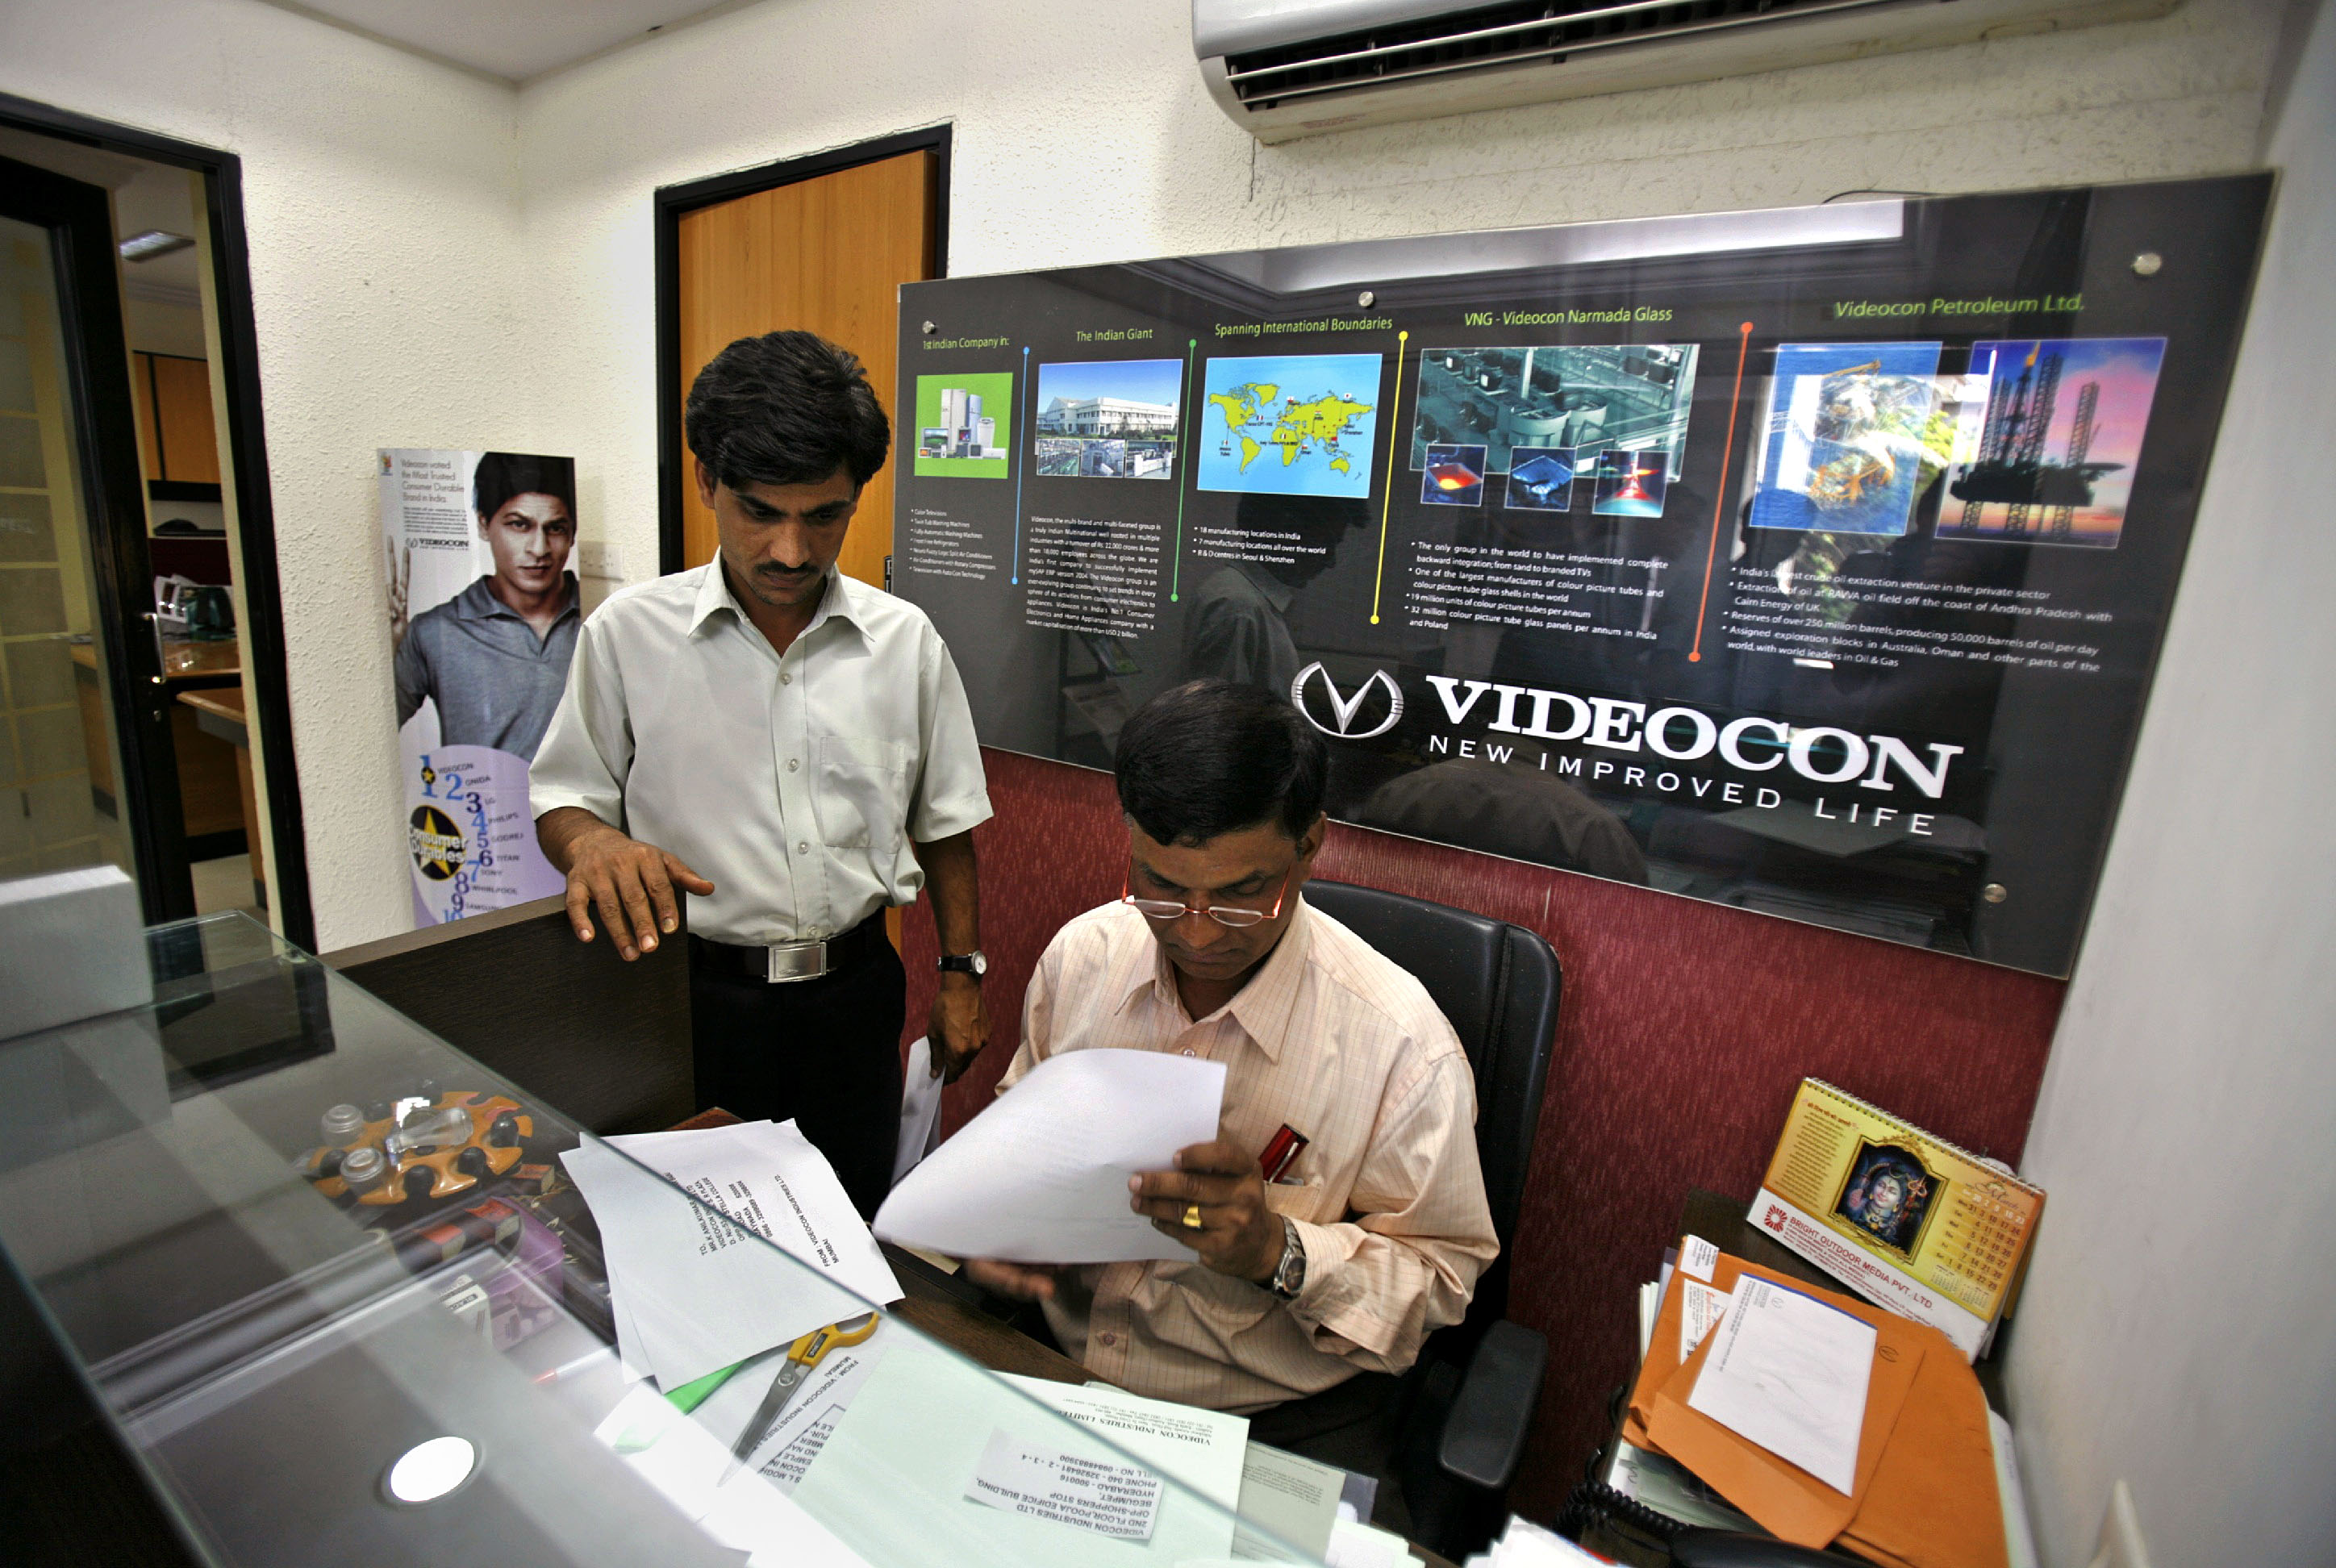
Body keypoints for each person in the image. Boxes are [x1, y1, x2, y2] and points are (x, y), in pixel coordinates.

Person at [963, 680, 1497, 1502]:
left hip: (1270, 1418)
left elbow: (1441, 1281)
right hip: (1056, 1359)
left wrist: (1275, 1253)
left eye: (1244, 893)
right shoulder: (1083, 958)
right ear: (1130, 838)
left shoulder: (1403, 1048)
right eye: (1162, 886)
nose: (1198, 929)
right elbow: (1014, 1133)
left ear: (1310, 846)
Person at [529, 331, 992, 1216]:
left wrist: (962, 974)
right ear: (707, 482)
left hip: (854, 999)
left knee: (851, 1224)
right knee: (695, 1228)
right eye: (760, 512)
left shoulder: (905, 643)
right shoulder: (628, 636)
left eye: (823, 516)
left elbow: (945, 824)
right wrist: (592, 843)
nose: (790, 550)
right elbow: (564, 797)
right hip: (689, 1003)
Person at [391, 452, 582, 757]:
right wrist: (390, 656)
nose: (539, 549)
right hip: (474, 788)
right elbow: (370, 731)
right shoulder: (435, 630)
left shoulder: (600, 620)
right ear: (483, 524)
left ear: (572, 533)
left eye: (556, 528)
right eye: (519, 525)